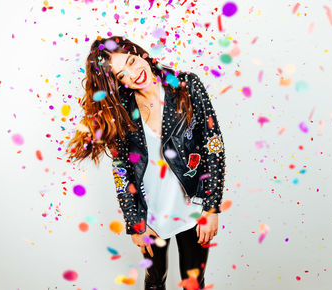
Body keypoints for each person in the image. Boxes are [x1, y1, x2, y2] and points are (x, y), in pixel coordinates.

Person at [66, 35, 226, 290]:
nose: (133, 74)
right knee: (154, 281)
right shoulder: (122, 110)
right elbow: (122, 172)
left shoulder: (187, 85)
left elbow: (213, 146)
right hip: (151, 214)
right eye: (121, 75)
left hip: (193, 209)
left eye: (131, 61)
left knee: (193, 281)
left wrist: (211, 208)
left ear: (140, 53)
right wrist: (136, 224)